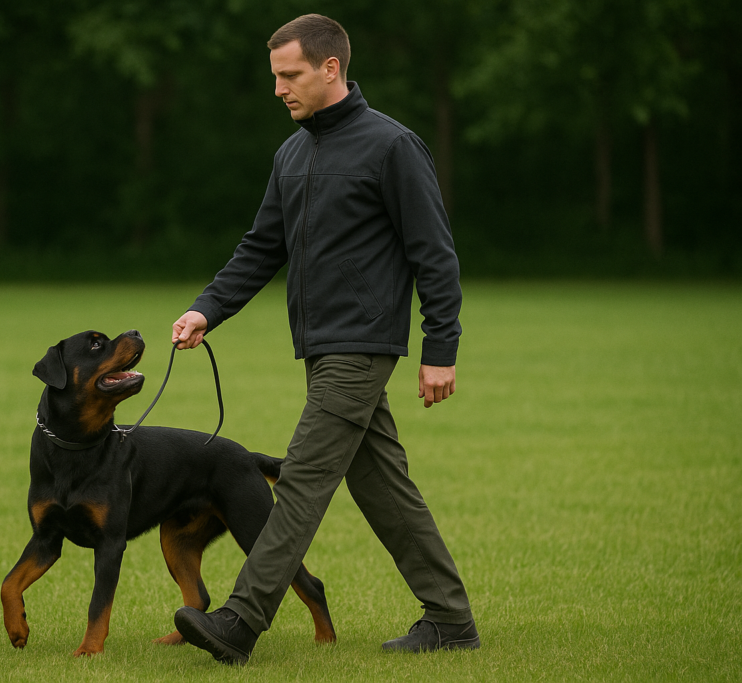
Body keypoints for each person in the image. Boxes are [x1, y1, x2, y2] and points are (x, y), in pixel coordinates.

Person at [170, 14, 478, 665]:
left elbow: (435, 254)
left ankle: (240, 619)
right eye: (275, 75)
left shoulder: (392, 146)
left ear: (330, 68)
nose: (279, 88)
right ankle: (451, 618)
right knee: (383, 486)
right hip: (320, 348)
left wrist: (440, 348)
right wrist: (207, 310)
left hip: (361, 348)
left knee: (303, 478)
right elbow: (261, 248)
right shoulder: (291, 153)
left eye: (290, 75)